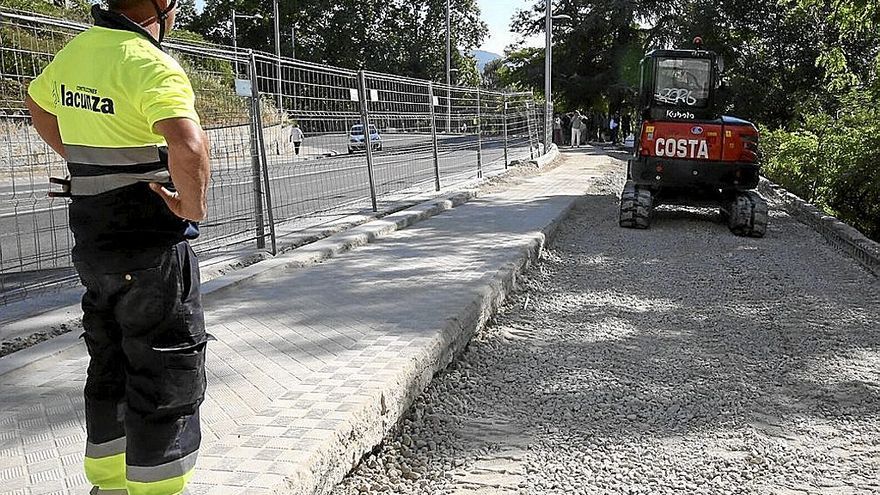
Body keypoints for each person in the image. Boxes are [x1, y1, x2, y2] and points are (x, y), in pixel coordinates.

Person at [25, 1, 211, 494]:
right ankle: (157, 487)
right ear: (160, 8)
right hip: (149, 241)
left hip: (92, 239)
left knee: (108, 360)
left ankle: (107, 482)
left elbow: (38, 103)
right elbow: (188, 144)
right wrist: (190, 207)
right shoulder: (148, 61)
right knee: (164, 362)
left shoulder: (77, 51)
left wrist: (84, 160)